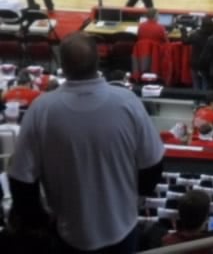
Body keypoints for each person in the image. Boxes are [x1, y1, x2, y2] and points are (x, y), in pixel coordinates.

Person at [8, 33, 164, 253]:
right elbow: (153, 167)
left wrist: (39, 221)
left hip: (68, 233)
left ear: (62, 65)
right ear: (98, 61)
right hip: (123, 229)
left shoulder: (41, 109)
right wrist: (132, 197)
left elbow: (21, 181)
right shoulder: (128, 102)